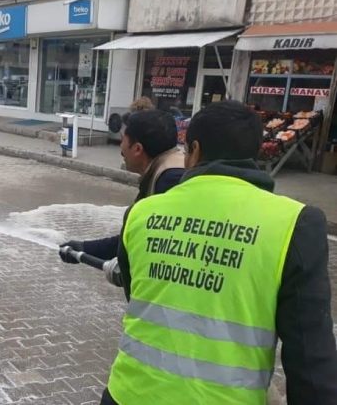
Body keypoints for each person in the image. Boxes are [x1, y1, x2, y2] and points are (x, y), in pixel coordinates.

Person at [101, 101, 337, 405]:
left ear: (195, 151)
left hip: (127, 395)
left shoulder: (143, 213)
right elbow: (310, 357)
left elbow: (139, 296)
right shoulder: (295, 223)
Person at [59, 109, 185, 283]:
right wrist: (84, 249)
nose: (120, 147)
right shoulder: (170, 171)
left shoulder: (169, 183)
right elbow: (131, 239)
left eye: (123, 139)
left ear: (138, 149)